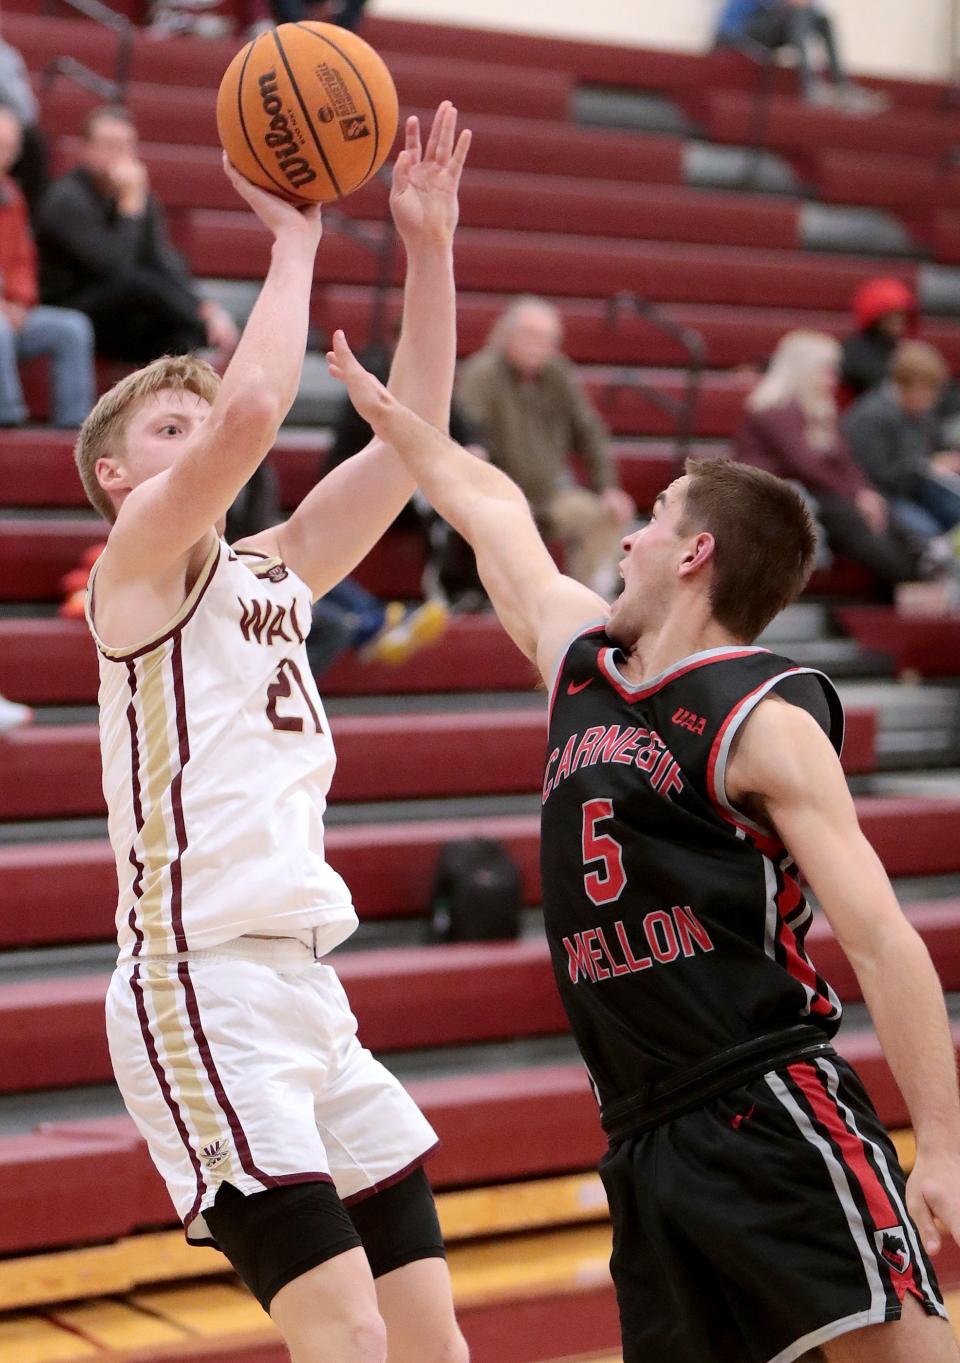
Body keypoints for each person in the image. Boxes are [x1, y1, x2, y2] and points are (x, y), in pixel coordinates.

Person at [327, 328, 960, 1363]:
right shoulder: (582, 657)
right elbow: (491, 508)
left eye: (654, 517)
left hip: (766, 1098)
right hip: (640, 1130)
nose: (626, 536)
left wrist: (943, 1145)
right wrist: (390, 412)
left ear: (696, 550)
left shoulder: (765, 716)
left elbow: (886, 940)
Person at [73, 104, 471, 1363]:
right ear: (122, 480)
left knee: (428, 1336)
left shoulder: (276, 569)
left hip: (308, 986)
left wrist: (427, 248)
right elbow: (249, 416)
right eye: (167, 431)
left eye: (201, 420)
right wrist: (293, 241)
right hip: (201, 982)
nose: (205, 436)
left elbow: (410, 447)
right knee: (346, 1333)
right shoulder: (134, 567)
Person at [458, 297, 634, 598]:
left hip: (550, 494)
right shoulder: (482, 374)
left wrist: (608, 486)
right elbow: (467, 432)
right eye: (529, 335)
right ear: (507, 334)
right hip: (500, 495)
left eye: (547, 339)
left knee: (603, 515)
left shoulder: (558, 373)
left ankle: (587, 604)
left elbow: (589, 430)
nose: (537, 345)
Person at [35, 106, 239, 367]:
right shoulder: (66, 200)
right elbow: (115, 269)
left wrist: (204, 307)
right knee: (140, 284)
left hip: (122, 313)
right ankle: (211, 330)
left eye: (126, 145)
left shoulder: (139, 198)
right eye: (109, 144)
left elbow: (162, 261)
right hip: (70, 309)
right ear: (86, 149)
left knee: (178, 337)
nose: (119, 153)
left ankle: (204, 345)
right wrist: (130, 207)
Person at [734, 331, 920, 595]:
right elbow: (805, 464)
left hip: (811, 491)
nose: (834, 379)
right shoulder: (775, 409)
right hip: (772, 496)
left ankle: (914, 570)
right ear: (804, 371)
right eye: (827, 371)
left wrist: (863, 492)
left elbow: (845, 460)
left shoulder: (819, 409)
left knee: (876, 505)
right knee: (844, 513)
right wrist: (854, 497)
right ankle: (906, 576)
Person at [0, 106, 94, 429]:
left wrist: (18, 301)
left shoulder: (12, 197)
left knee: (72, 328)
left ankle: (76, 427)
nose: (5, 154)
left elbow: (23, 264)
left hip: (12, 312)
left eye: (10, 147)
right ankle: (8, 420)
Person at [844, 340, 960, 544]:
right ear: (904, 385)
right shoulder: (870, 415)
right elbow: (877, 473)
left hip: (917, 488)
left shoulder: (923, 413)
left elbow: (935, 448)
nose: (931, 400)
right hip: (884, 494)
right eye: (926, 393)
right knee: (927, 532)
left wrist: (941, 460)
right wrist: (926, 466)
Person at [714, 0, 885, 111]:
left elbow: (812, 11)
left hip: (779, 27)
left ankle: (842, 86)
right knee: (798, 14)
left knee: (823, 20)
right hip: (745, 31)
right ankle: (809, 87)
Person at [840, 278, 917, 400]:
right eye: (891, 317)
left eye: (902, 317)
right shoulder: (854, 352)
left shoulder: (907, 349)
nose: (898, 323)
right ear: (876, 318)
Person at [0, 25, 49, 214]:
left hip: (5, 117)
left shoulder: (8, 55)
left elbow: (28, 110)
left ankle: (31, 223)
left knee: (33, 140)